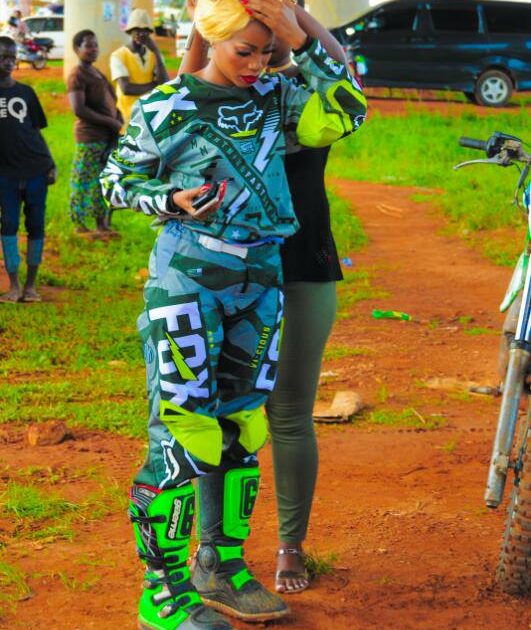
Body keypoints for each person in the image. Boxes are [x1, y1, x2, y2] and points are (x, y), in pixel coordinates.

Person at [100, 0, 365, 628]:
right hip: (188, 282)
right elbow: (116, 180)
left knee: (243, 428)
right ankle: (163, 591)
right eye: (243, 51)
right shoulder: (167, 105)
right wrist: (168, 198)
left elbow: (348, 109)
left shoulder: (279, 98)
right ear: (212, 37)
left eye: (265, 52)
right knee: (182, 432)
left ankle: (223, 565)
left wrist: (301, 37)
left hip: (261, 282)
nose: (255, 64)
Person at [181, 0, 351, 595]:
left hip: (302, 267)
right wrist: (205, 18)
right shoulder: (217, 93)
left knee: (289, 413)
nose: (256, 54)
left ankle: (289, 545)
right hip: (224, 272)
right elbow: (184, 90)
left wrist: (295, 18)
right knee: (216, 413)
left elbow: (346, 78)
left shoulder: (302, 93)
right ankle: (213, 549)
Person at [0, 36, 55, 303]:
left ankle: (31, 287)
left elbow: (36, 131)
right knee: (8, 225)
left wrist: (50, 163)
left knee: (36, 226)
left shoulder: (26, 92)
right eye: (3, 57)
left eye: (12, 57)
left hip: (35, 170)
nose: (9, 62)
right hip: (5, 175)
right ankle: (14, 286)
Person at [67, 30, 122, 236]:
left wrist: (118, 119)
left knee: (103, 181)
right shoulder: (77, 75)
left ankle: (101, 224)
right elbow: (79, 109)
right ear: (76, 49)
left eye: (95, 45)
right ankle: (79, 225)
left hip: (107, 137)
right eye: (88, 45)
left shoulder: (97, 72)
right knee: (83, 180)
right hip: (90, 137)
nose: (94, 49)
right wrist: (110, 121)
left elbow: (112, 101)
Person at [110, 8, 169, 127]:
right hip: (127, 116)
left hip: (150, 115)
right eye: (136, 30)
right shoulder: (118, 56)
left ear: (149, 33)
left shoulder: (154, 55)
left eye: (145, 30)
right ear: (130, 32)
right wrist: (155, 85)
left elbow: (164, 83)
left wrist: (156, 51)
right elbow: (126, 88)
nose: (141, 34)